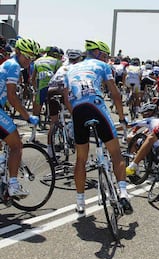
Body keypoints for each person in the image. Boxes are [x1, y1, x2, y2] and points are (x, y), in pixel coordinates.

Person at [63, 40, 132, 215]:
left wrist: (75, 116)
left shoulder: (69, 68)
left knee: (81, 159)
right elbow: (114, 92)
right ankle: (123, 193)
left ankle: (80, 202)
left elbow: (66, 98)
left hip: (78, 110)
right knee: (116, 153)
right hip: (96, 106)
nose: (107, 58)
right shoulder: (102, 65)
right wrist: (122, 117)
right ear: (99, 53)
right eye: (106, 55)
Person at [0, 37, 40, 197]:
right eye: (27, 56)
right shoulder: (14, 66)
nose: (29, 61)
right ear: (17, 52)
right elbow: (12, 97)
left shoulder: (7, 63)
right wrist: (28, 116)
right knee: (16, 145)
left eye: (32, 58)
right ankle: (14, 185)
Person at [46, 49, 83, 157]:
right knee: (77, 113)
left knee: (53, 122)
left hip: (51, 90)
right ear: (79, 59)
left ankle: (49, 151)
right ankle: (71, 134)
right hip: (64, 90)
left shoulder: (62, 66)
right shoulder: (77, 68)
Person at [30, 46, 62, 141]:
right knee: (56, 114)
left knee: (35, 112)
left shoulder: (38, 61)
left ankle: (33, 135)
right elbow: (60, 76)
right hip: (53, 88)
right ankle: (55, 136)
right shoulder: (57, 62)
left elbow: (33, 79)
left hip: (42, 88)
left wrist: (36, 89)